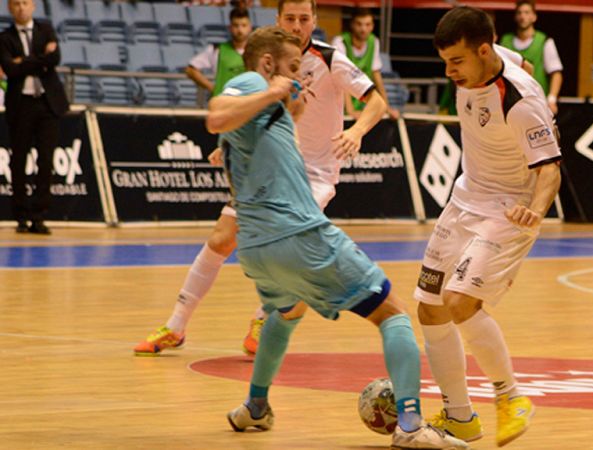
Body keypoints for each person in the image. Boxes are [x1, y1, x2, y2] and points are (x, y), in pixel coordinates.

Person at [207, 25, 469, 450]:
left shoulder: (265, 106)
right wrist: (275, 91)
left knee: (286, 313)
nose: (299, 78)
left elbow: (239, 128)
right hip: (297, 235)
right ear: (269, 64)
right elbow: (216, 115)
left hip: (255, 249)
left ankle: (255, 407)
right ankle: (409, 425)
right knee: (394, 312)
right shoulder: (253, 82)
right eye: (294, 69)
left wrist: (285, 103)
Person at [133, 0, 388, 356]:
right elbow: (258, 112)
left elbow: (376, 101)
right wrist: (233, 144)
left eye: (304, 19)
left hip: (312, 175)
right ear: (278, 19)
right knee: (222, 239)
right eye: (290, 18)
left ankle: (265, 315)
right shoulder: (268, 59)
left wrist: (358, 130)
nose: (297, 26)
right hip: (268, 166)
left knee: (287, 246)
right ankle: (175, 326)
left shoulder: (330, 58)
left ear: (314, 20)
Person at [417, 6, 561, 447]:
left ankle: (511, 396)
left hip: (509, 208)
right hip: (465, 198)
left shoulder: (519, 103)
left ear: (482, 52)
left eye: (457, 61)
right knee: (430, 307)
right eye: (445, 62)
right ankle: (460, 418)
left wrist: (535, 210)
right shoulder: (491, 54)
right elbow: (523, 61)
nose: (450, 72)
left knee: (460, 301)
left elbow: (551, 169)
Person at [0, 0, 69, 234]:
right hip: (21, 106)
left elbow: (54, 59)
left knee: (45, 161)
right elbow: (10, 69)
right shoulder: (4, 38)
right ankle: (20, 214)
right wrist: (39, 60)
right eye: (16, 4)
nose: (21, 8)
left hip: (47, 104)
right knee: (18, 161)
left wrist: (24, 62)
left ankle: (39, 216)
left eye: (25, 3)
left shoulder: (46, 29)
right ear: (10, 8)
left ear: (34, 6)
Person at [331, 7, 400, 119]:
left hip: (362, 100)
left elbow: (377, 77)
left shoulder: (374, 42)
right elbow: (342, 78)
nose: (363, 29)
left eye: (368, 24)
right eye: (359, 24)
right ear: (352, 25)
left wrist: (387, 107)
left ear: (372, 26)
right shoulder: (340, 42)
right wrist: (350, 110)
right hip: (340, 104)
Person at [499, 0, 562, 114]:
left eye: (527, 12)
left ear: (534, 17)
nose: (523, 16)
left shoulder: (544, 41)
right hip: (511, 101)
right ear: (515, 17)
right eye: (519, 13)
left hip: (536, 101)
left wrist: (552, 99)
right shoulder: (505, 41)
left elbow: (556, 73)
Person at [186, 7, 252, 98]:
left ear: (250, 27)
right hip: (222, 104)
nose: (240, 30)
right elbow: (190, 70)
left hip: (248, 104)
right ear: (230, 27)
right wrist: (213, 88)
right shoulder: (216, 50)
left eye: (244, 25)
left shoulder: (257, 52)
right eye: (236, 25)